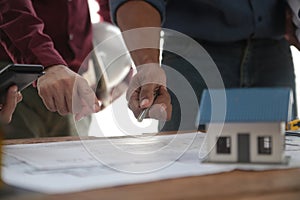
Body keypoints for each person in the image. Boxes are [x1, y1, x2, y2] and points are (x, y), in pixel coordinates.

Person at [110, 0, 300, 132]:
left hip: (274, 57)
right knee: (187, 177)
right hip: (193, 59)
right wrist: (147, 64)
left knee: (281, 173)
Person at [0, 0, 106, 138]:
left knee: (76, 157)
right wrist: (47, 63)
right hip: (17, 78)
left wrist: (117, 47)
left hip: (76, 79)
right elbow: (11, 6)